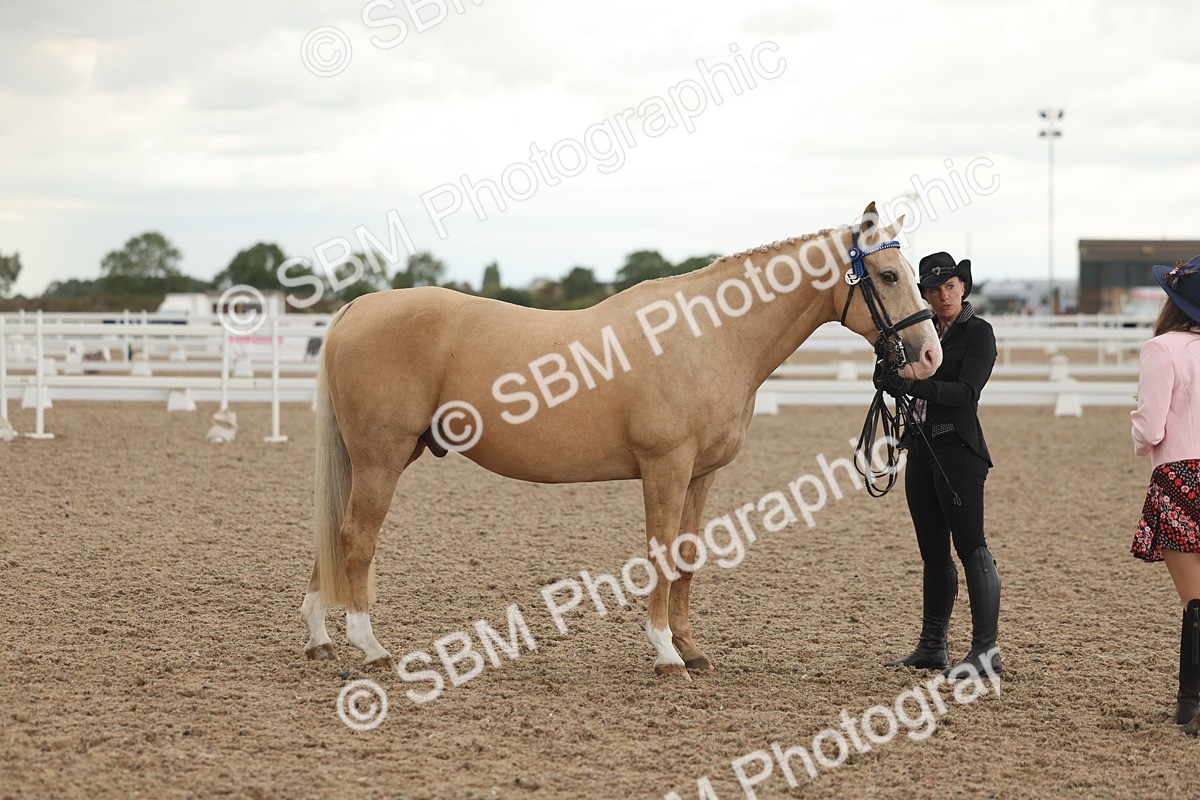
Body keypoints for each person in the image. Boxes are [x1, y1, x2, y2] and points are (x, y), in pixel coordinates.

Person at [875, 251, 1001, 677]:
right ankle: (933, 646)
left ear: (962, 288)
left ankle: (986, 651)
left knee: (971, 547)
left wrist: (913, 382)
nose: (943, 295)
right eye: (933, 289)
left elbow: (966, 394)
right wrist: (889, 376)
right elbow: (905, 378)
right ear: (924, 295)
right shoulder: (921, 334)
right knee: (933, 553)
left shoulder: (979, 333)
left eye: (949, 286)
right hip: (922, 449)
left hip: (959, 451)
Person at [1129, 255, 1200, 735]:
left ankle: (1192, 704)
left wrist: (1136, 433)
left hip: (1179, 477)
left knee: (1195, 601)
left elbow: (1151, 428)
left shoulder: (1162, 348)